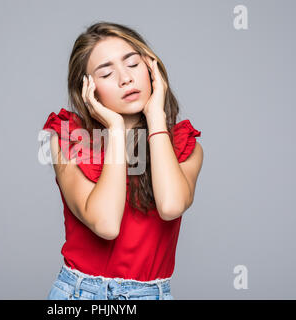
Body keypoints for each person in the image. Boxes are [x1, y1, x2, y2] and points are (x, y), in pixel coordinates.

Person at [41, 21, 203, 300]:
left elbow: (171, 205)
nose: (125, 79)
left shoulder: (184, 144)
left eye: (133, 64)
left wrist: (155, 117)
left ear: (152, 69)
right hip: (80, 294)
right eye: (106, 73)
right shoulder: (67, 137)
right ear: (88, 88)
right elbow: (106, 224)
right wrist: (116, 130)